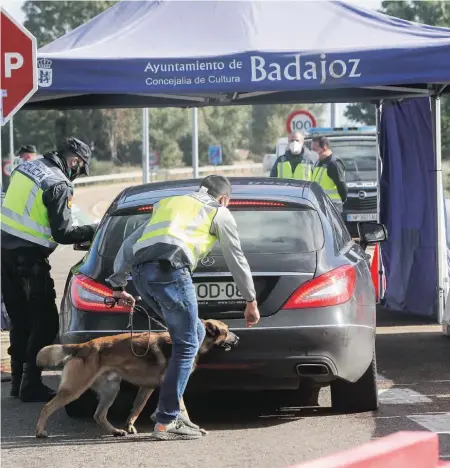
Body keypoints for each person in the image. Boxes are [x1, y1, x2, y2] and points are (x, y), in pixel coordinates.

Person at [107, 175, 260, 441]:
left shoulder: (170, 203)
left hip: (142, 275)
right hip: (171, 271)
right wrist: (250, 300)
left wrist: (119, 282)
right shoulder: (218, 212)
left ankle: (172, 410)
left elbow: (129, 244)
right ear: (224, 198)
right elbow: (236, 257)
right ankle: (167, 419)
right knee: (189, 342)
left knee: (193, 337)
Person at [1, 137, 97, 402]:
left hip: (5, 252)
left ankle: (18, 383)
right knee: (45, 322)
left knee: (20, 319)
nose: (77, 175)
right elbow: (64, 233)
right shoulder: (58, 184)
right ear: (75, 161)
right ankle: (31, 385)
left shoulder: (28, 168)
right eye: (80, 169)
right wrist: (94, 230)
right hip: (28, 259)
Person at [310, 135, 348, 212]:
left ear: (324, 147)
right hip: (320, 205)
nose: (312, 152)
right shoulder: (318, 162)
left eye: (314, 149)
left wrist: (342, 200)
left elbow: (342, 186)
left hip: (332, 206)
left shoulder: (334, 164)